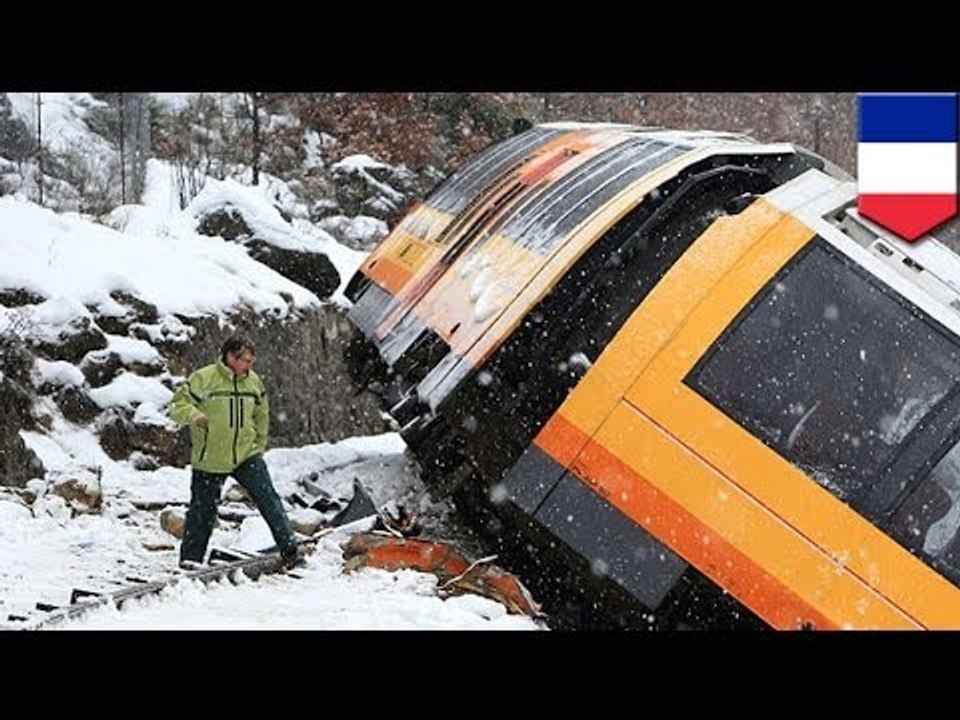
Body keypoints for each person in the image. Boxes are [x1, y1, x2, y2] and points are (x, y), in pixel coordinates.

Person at [168, 333, 303, 569]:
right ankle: (190, 561)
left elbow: (262, 415)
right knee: (202, 512)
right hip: (210, 457)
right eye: (246, 361)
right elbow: (177, 406)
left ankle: (291, 551)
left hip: (246, 454)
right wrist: (194, 415)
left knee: (269, 500)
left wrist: (259, 445)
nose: (250, 367)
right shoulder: (204, 378)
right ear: (230, 357)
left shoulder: (253, 383)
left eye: (252, 362)